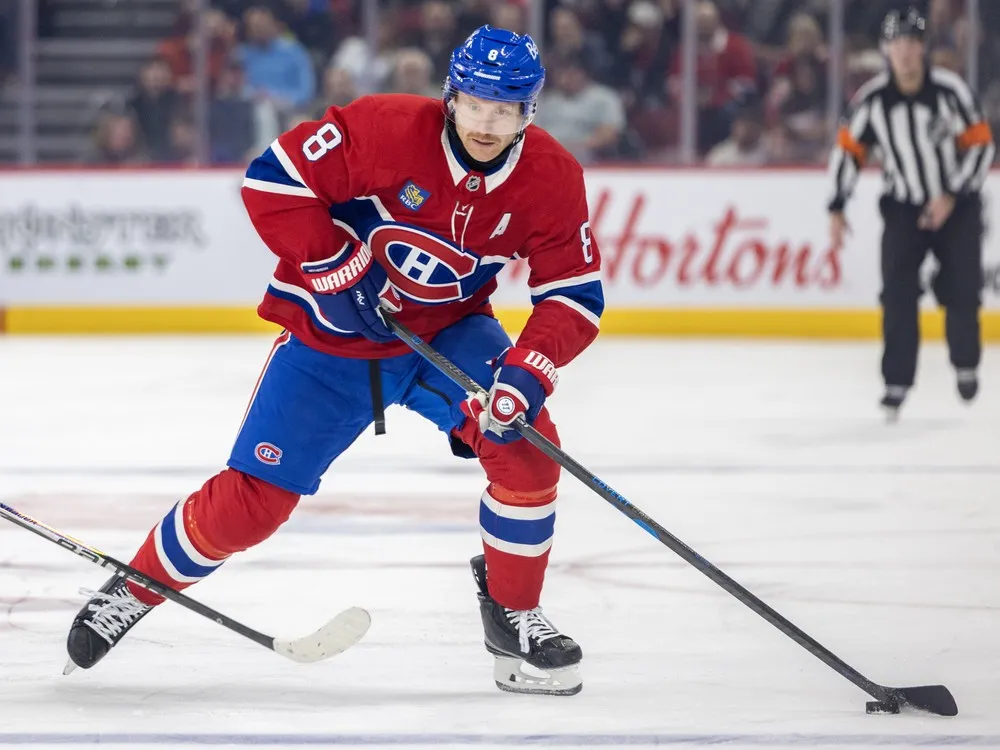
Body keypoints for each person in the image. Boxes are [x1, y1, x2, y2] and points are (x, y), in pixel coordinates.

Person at [64, 25, 604, 697]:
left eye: (506, 110)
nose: (487, 124)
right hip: (329, 339)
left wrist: (525, 373)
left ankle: (515, 610)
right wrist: (333, 265)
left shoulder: (551, 177)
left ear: (531, 111)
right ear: (451, 97)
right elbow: (272, 180)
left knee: (527, 445)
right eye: (475, 105)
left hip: (446, 334)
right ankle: (135, 589)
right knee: (252, 505)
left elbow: (575, 295)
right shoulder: (382, 128)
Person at [827, 6, 994, 420]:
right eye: (897, 43)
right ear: (886, 49)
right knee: (897, 293)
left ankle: (965, 361)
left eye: (912, 43)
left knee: (963, 288)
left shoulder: (950, 92)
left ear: (924, 48)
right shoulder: (872, 102)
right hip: (903, 207)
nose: (904, 51)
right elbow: (848, 153)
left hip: (956, 205)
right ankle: (896, 380)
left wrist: (952, 194)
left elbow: (982, 144)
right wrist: (836, 207)